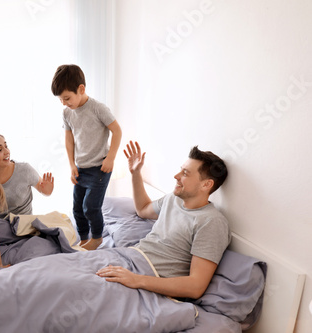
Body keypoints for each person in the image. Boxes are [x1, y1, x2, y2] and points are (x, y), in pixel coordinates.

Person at [97, 141, 230, 299]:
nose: (176, 176)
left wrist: (136, 280)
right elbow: (143, 209)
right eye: (181, 170)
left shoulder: (211, 222)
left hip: (146, 277)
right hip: (129, 258)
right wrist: (135, 173)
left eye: (185, 173)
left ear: (206, 184)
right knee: (65, 268)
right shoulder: (173, 199)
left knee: (75, 289)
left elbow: (196, 287)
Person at [51, 64, 122, 251]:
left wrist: (111, 158)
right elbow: (69, 139)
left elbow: (117, 131)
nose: (64, 103)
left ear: (81, 89)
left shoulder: (98, 108)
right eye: (60, 99)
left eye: (67, 98)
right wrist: (72, 165)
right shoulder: (67, 112)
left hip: (100, 167)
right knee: (77, 208)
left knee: (90, 207)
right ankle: (84, 239)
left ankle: (97, 238)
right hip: (81, 167)